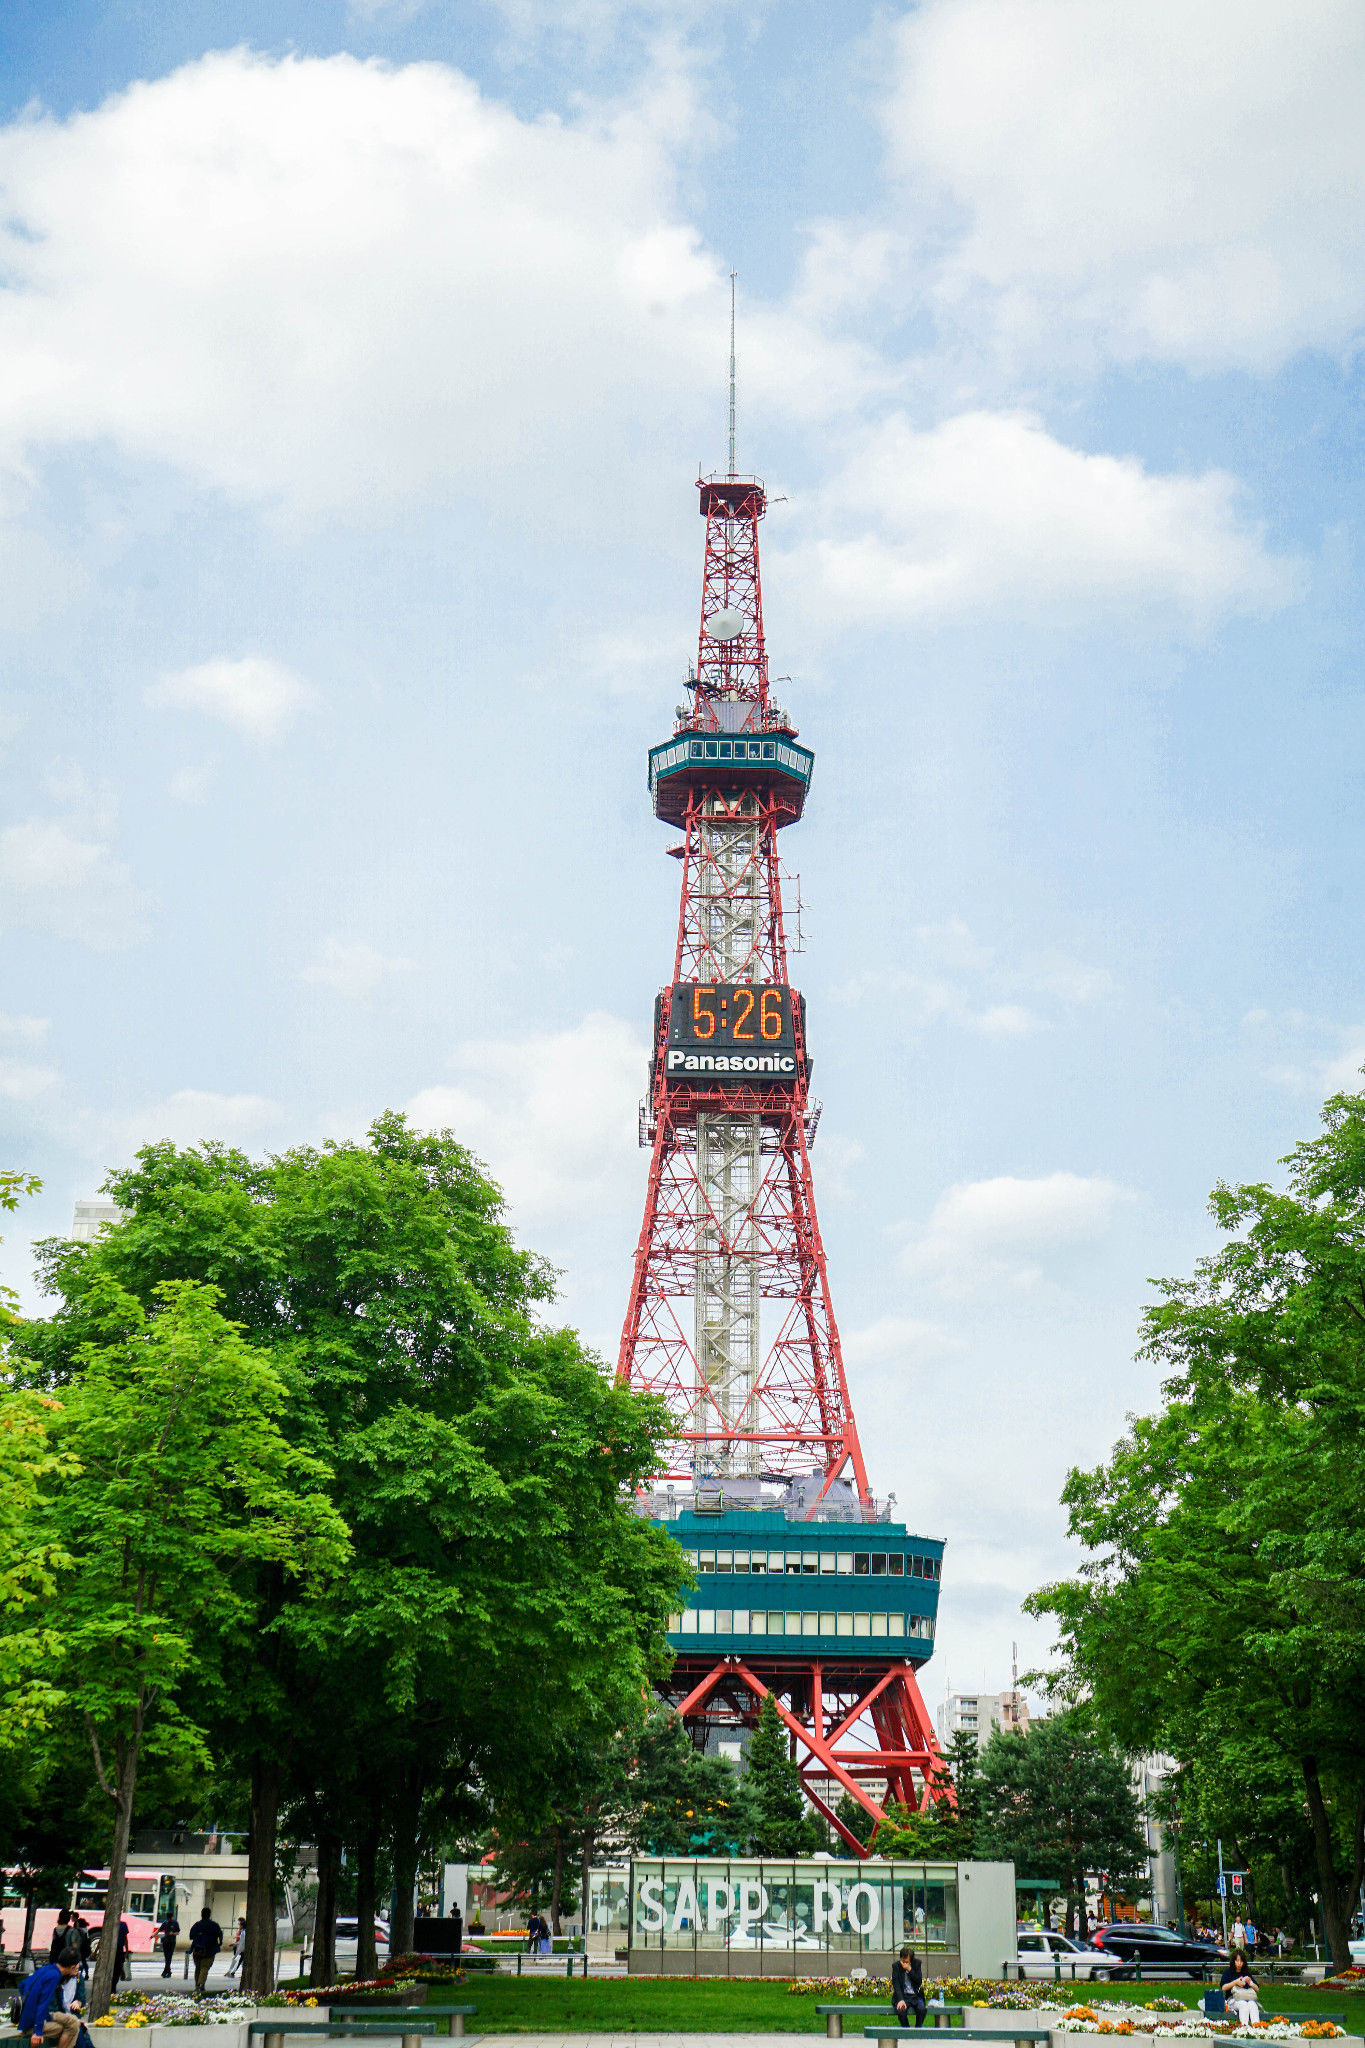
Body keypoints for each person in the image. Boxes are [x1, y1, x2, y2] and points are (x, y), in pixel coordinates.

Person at [18, 1951, 83, 2048]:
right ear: (72, 1967)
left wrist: (29, 2002)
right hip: (33, 2021)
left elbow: (22, 1985)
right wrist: (37, 2031)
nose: (78, 1968)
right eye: (77, 1965)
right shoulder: (54, 1976)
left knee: (73, 2020)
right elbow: (43, 2003)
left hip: (39, 2015)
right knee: (73, 2027)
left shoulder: (47, 1968)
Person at [187, 1905, 223, 1995]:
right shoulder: (214, 1925)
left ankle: (197, 1984)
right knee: (205, 1967)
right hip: (210, 1949)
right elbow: (220, 1935)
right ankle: (201, 1983)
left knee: (198, 1967)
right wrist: (219, 1942)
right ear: (209, 1915)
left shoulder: (197, 1925)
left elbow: (191, 1936)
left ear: (201, 1914)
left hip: (197, 1949)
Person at [1221, 1950, 1259, 2029]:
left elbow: (1257, 1989)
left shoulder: (1246, 1973)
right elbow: (1223, 1987)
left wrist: (1250, 1983)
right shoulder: (1228, 1972)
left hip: (1247, 1998)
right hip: (1232, 1999)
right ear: (1233, 1961)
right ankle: (1244, 2028)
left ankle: (1257, 2028)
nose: (1239, 1963)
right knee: (1243, 2004)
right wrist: (1235, 1982)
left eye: (1241, 1961)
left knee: (1253, 2004)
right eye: (1237, 1960)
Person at [892, 1945, 926, 2029]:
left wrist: (909, 1970)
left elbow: (918, 1981)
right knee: (901, 2011)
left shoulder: (917, 1964)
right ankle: (906, 2029)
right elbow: (896, 1984)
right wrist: (900, 1999)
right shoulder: (896, 1966)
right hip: (903, 1995)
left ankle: (917, 2030)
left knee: (922, 2009)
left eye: (907, 1961)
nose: (904, 1963)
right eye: (903, 1960)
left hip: (915, 1995)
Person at [156, 1908, 181, 1979]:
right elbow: (159, 1929)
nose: (169, 1919)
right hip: (166, 1941)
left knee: (169, 1956)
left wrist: (173, 1933)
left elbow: (178, 1932)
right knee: (167, 1957)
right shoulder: (165, 1923)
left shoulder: (175, 1923)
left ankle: (166, 1972)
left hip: (172, 1941)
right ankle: (168, 1971)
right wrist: (153, 1935)